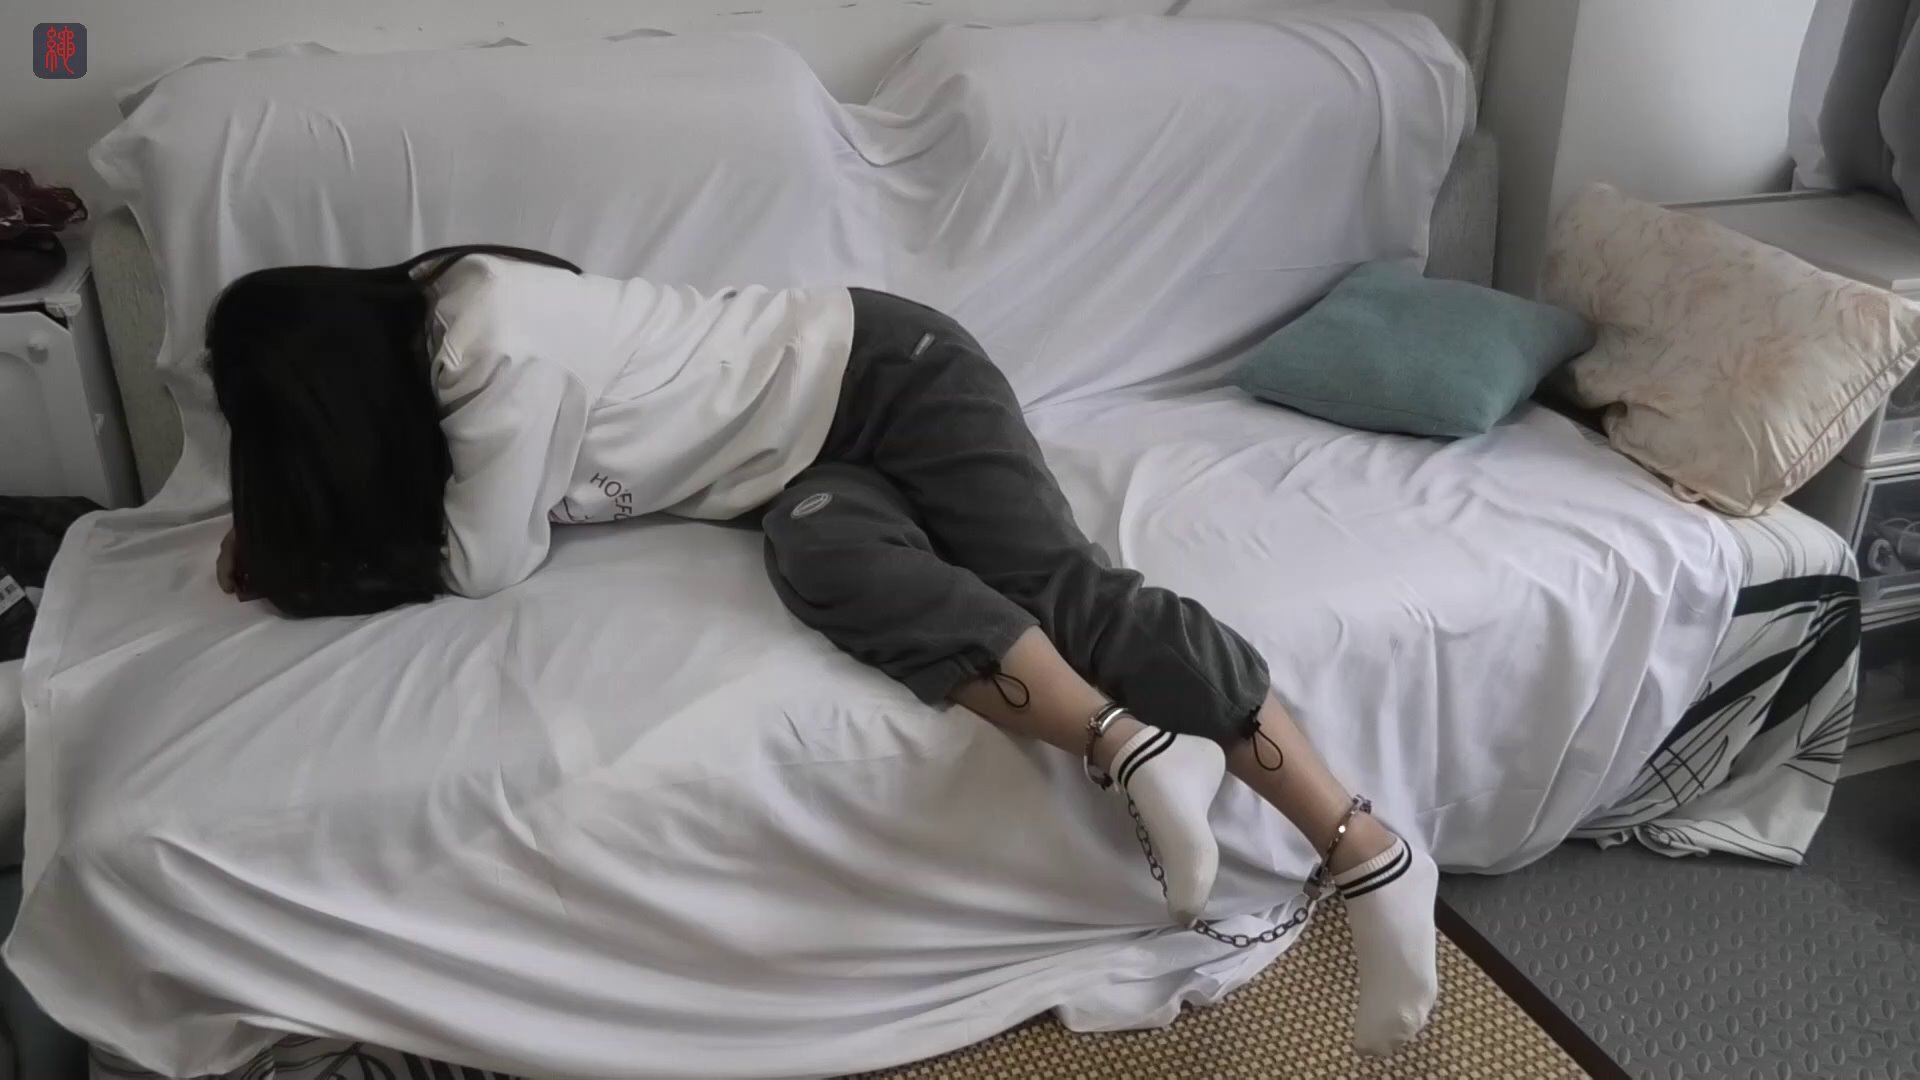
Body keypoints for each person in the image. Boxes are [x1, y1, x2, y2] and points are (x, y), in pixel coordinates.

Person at [207, 245, 1439, 1055]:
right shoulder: (442, 359)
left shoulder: (488, 341)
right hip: (796, 473)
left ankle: (1368, 852)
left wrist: (319, 552)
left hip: (887, 373)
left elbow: (486, 558)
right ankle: (1127, 746)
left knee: (1059, 588)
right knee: (824, 563)